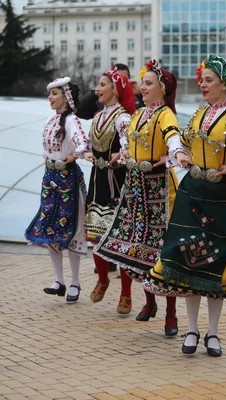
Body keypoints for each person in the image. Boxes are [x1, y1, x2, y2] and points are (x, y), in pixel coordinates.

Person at [143, 56, 226, 356]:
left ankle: (213, 333)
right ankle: (192, 329)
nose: (203, 84)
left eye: (209, 80)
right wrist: (179, 155)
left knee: (216, 264)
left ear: (224, 84)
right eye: (202, 79)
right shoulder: (197, 115)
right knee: (186, 261)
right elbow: (179, 141)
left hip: (221, 194)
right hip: (192, 191)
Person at [94, 60, 182, 336]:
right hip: (135, 186)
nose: (142, 88)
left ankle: (171, 313)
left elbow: (172, 136)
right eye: (142, 83)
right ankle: (149, 302)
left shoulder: (165, 114)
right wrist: (123, 154)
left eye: (148, 83)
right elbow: (128, 142)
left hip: (157, 188)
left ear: (163, 88)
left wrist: (176, 152)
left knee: (161, 249)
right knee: (137, 245)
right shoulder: (140, 114)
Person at [25, 77, 88, 303]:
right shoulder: (51, 119)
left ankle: (74, 282)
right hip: (50, 178)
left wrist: (75, 155)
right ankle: (59, 280)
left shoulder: (71, 120)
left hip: (66, 179)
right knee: (50, 227)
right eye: (50, 94)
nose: (50, 98)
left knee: (71, 228)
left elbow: (82, 142)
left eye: (55, 94)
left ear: (66, 97)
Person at [83, 67, 136, 313]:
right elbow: (87, 143)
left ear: (115, 90)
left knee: (120, 239)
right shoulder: (97, 116)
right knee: (95, 233)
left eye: (102, 84)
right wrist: (85, 152)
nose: (97, 88)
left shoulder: (123, 118)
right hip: (98, 179)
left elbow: (130, 148)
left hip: (117, 181)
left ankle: (125, 293)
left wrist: (120, 155)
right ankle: (103, 279)